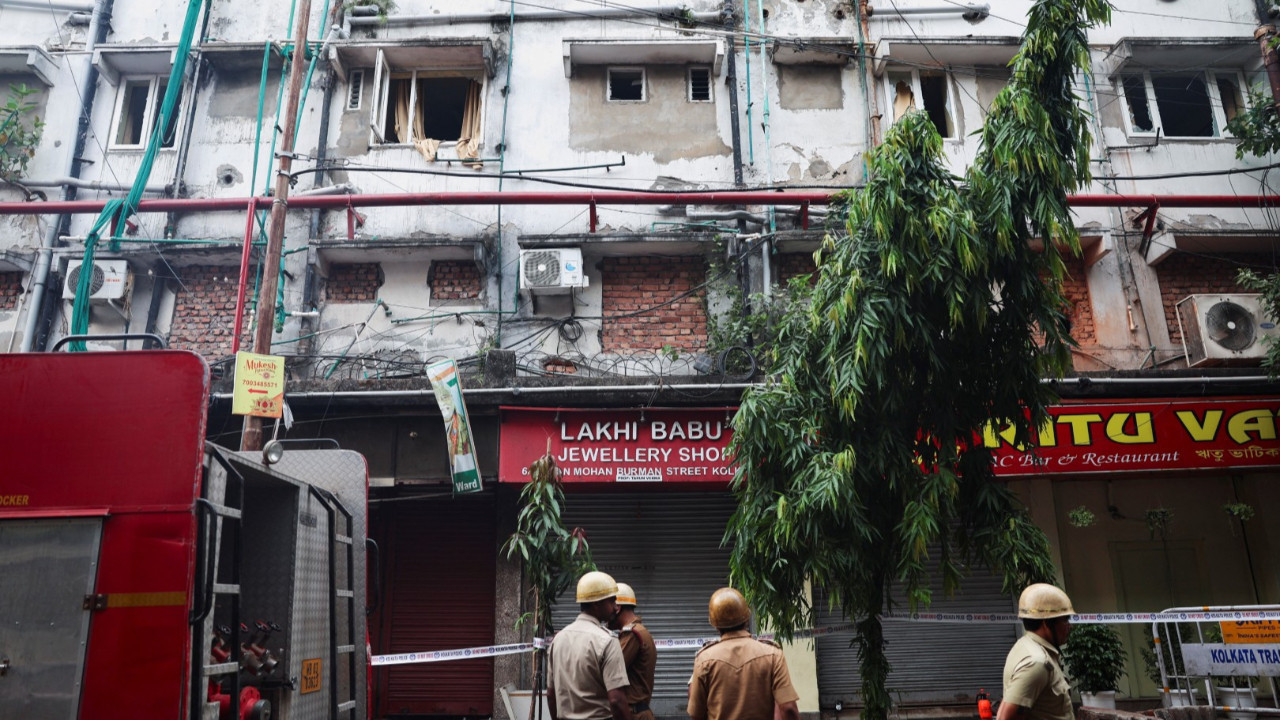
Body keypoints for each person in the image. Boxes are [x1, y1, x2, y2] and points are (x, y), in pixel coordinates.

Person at [688, 587, 801, 720]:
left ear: (716, 625)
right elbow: (788, 709)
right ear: (746, 618)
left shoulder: (704, 660)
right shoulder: (772, 655)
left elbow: (696, 714)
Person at [547, 571, 634, 720]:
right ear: (596, 604)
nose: (615, 607)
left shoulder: (558, 640)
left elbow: (550, 694)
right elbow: (616, 700)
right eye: (611, 601)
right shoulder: (607, 641)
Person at [997, 583, 1075, 720]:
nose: (1069, 626)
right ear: (1047, 623)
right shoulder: (1036, 662)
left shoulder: (1029, 646)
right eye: (1064, 620)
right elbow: (1005, 716)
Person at [608, 583, 656, 720]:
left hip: (633, 714)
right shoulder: (639, 630)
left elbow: (612, 670)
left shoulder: (632, 634)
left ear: (617, 608)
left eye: (610, 607)